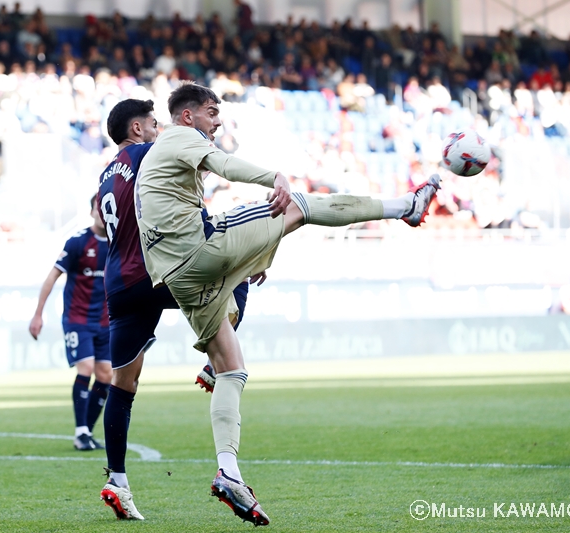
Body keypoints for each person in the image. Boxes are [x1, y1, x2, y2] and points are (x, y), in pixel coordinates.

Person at [135, 82, 441, 526]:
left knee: (230, 368)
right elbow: (222, 164)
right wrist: (271, 176)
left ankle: (229, 472)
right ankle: (405, 206)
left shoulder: (166, 151)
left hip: (176, 276)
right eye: (210, 112)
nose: (217, 120)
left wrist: (249, 256)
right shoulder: (181, 137)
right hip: (198, 251)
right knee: (295, 203)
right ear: (187, 116)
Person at [94, 98, 256, 521]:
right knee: (235, 271)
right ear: (136, 130)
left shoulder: (105, 175)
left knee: (122, 385)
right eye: (152, 123)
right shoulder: (152, 153)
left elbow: (100, 224)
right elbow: (199, 170)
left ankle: (118, 480)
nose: (159, 128)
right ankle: (213, 363)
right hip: (160, 269)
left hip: (120, 284)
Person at [28, 194, 111, 451]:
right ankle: (81, 431)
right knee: (85, 367)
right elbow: (52, 277)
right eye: (97, 209)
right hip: (78, 319)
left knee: (106, 375)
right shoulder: (77, 242)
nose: (101, 214)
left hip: (107, 321)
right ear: (91, 213)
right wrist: (38, 313)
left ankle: (86, 431)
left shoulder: (119, 244)